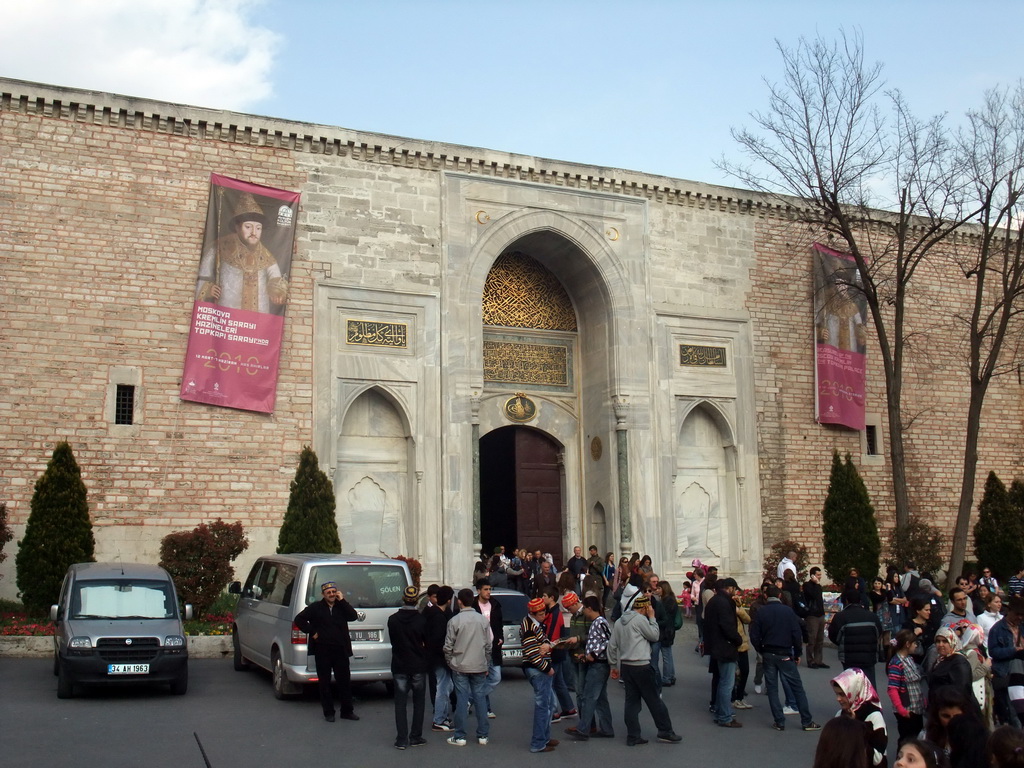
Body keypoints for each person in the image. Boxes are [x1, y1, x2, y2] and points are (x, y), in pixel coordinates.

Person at [608, 592, 682, 746]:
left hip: (626, 666)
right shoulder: (640, 619)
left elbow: (612, 645)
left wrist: (613, 665)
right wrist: (652, 618)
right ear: (643, 608)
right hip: (641, 664)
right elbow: (654, 635)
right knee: (654, 700)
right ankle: (665, 731)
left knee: (631, 702)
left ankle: (633, 735)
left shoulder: (620, 621)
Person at [195, 192, 288, 313]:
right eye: (248, 227)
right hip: (227, 318)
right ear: (237, 228)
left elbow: (276, 279)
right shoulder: (219, 248)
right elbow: (202, 276)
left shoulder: (266, 255)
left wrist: (277, 292)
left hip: (258, 319)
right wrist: (208, 289)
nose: (254, 232)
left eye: (258, 228)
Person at [748, 584, 823, 732]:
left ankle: (779, 721)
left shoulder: (761, 612)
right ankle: (806, 720)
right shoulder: (788, 611)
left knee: (772, 688)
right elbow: (796, 632)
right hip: (785, 652)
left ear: (765, 596)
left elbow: (754, 634)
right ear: (780, 596)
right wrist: (797, 652)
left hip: (768, 652)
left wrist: (760, 649)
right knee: (797, 688)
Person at [294, 580, 360, 722]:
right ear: (323, 594)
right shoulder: (316, 608)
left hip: (340, 650)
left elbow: (353, 616)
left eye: (333, 592)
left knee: (344, 681)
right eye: (328, 592)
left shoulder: (341, 607)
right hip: (322, 650)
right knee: (324, 682)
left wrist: (342, 601)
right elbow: (299, 619)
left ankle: (347, 711)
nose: (331, 594)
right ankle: (328, 712)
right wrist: (312, 632)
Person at [443, 588, 492, 747]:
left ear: (459, 601)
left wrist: (450, 661)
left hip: (460, 664)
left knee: (462, 700)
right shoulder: (483, 620)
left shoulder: (454, 621)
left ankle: (460, 735)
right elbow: (488, 645)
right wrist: (486, 662)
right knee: (480, 699)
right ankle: (483, 735)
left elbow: (448, 645)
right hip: (478, 664)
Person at [565, 595, 615, 740]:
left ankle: (583, 729)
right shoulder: (597, 622)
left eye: (585, 608)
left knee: (589, 697)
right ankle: (606, 728)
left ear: (589, 608)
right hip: (596, 662)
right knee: (600, 699)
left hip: (598, 664)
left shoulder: (599, 622)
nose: (584, 612)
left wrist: (593, 653)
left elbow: (609, 641)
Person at [388, 585, 428, 749]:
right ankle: (415, 736)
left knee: (400, 703)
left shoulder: (393, 619)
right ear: (416, 601)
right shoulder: (421, 620)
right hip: (417, 663)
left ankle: (401, 739)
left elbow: (393, 641)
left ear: (403, 599)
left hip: (399, 663)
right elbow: (426, 642)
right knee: (419, 702)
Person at [704, 576, 744, 728]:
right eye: (734, 589)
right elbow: (727, 626)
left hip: (716, 646)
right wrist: (737, 639)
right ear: (729, 588)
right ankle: (725, 716)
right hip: (725, 647)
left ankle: (721, 712)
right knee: (727, 683)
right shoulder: (724, 602)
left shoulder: (714, 601)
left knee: (722, 682)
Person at [520, 596, 558, 753]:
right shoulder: (530, 627)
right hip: (538, 670)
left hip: (537, 669)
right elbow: (532, 653)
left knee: (550, 704)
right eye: (541, 613)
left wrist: (548, 645)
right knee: (543, 706)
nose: (544, 616)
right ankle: (538, 743)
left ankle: (544, 737)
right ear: (533, 613)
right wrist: (547, 668)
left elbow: (541, 643)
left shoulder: (533, 623)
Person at [832, 668, 888, 768]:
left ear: (855, 691)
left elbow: (877, 758)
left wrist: (855, 727)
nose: (838, 699)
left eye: (842, 694)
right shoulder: (840, 714)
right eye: (836, 694)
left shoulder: (874, 716)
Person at [829, 588, 883, 691]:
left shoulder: (840, 617)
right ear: (860, 600)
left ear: (847, 601)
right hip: (869, 656)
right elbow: (879, 633)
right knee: (869, 684)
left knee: (851, 685)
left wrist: (843, 643)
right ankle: (871, 705)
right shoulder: (872, 616)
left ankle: (852, 705)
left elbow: (833, 636)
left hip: (849, 657)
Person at [887, 628, 926, 743]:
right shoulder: (896, 663)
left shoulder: (909, 659)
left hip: (916, 708)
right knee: (907, 739)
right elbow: (892, 689)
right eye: (915, 643)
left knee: (916, 737)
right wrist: (901, 709)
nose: (916, 646)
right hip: (907, 709)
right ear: (907, 644)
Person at [426, 585, 455, 733]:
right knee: (443, 688)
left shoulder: (434, 613)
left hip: (435, 657)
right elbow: (439, 641)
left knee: (446, 686)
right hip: (439, 658)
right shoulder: (439, 617)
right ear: (449, 600)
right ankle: (439, 720)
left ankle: (442, 716)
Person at [473, 580, 503, 719]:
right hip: (478, 647)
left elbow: (499, 623)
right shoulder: (473, 605)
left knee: (496, 677)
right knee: (482, 679)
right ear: (478, 591)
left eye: (490, 589)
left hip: (493, 646)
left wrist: (500, 637)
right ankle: (486, 708)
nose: (488, 592)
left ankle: (472, 699)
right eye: (485, 589)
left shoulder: (495, 604)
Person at [929, 626, 977, 708]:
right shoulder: (939, 660)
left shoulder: (959, 661)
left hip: (954, 709)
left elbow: (962, 689)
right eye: (938, 641)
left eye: (945, 641)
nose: (940, 645)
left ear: (952, 642)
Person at [804, 566, 829, 668]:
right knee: (812, 639)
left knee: (820, 639)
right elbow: (814, 595)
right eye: (818, 575)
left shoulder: (818, 586)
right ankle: (810, 660)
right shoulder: (807, 585)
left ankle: (818, 660)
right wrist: (817, 584)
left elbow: (819, 597)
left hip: (820, 614)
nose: (819, 577)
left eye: (820, 575)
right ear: (812, 576)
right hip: (812, 615)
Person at [658, 580, 679, 686]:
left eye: (659, 588)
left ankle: (667, 677)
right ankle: (671, 675)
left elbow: (664, 617)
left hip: (665, 630)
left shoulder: (666, 601)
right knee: (668, 654)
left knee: (666, 655)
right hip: (669, 630)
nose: (657, 590)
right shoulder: (671, 599)